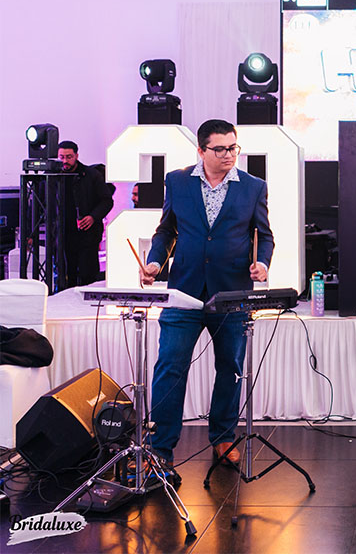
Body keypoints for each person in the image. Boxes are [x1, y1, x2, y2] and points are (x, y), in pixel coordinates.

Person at [140, 119, 273, 471]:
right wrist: (155, 262)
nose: (229, 155)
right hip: (184, 290)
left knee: (230, 367)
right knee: (170, 366)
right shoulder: (177, 181)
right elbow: (166, 230)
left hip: (232, 292)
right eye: (220, 149)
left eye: (233, 148)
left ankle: (224, 436)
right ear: (201, 150)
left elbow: (264, 235)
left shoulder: (253, 187)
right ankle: (160, 448)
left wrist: (261, 263)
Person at [57, 141, 113, 286]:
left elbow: (107, 201)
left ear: (76, 156)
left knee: (87, 273)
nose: (65, 161)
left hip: (87, 233)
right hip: (62, 233)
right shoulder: (53, 176)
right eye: (62, 157)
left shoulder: (92, 175)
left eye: (69, 157)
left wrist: (93, 217)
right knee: (65, 274)